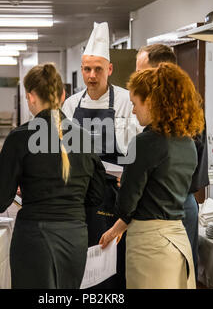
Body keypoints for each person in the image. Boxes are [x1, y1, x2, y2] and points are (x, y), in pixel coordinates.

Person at [0, 63, 106, 289]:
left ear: (31, 97)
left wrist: (15, 185)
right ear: (62, 95)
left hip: (35, 237)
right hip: (75, 237)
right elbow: (96, 194)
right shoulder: (83, 137)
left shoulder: (19, 138)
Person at [100, 62, 205, 289]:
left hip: (151, 247)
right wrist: (116, 229)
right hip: (177, 242)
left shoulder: (143, 143)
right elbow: (159, 192)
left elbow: (126, 204)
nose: (134, 110)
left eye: (135, 104)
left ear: (151, 102)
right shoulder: (188, 143)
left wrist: (126, 180)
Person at [62, 22, 139, 289]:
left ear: (110, 69)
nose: (92, 75)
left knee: (114, 264)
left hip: (115, 195)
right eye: (87, 69)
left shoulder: (127, 101)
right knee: (82, 260)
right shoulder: (71, 105)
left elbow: (139, 149)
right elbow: (63, 150)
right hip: (81, 195)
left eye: (98, 69)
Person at [136, 44, 210, 277]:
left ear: (160, 70)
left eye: (142, 71)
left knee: (178, 275)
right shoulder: (154, 107)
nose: (137, 77)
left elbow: (178, 164)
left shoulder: (182, 107)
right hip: (164, 203)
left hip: (175, 205)